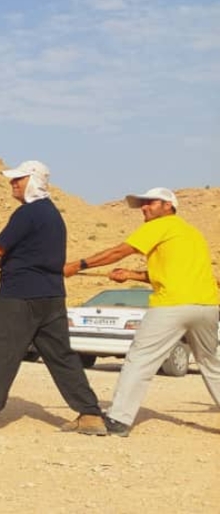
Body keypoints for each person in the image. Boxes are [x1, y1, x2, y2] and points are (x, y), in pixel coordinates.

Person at [0, 161, 105, 435]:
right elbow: (26, 255)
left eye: (19, 179)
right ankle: (90, 415)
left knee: (3, 354)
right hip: (51, 297)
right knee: (62, 357)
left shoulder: (27, 214)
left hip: (20, 296)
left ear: (34, 181)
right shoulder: (52, 215)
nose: (12, 184)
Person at [64, 187, 220, 437]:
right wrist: (130, 275)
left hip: (172, 305)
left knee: (140, 360)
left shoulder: (161, 225)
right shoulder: (191, 234)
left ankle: (118, 419)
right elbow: (172, 274)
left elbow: (119, 251)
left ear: (168, 206)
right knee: (211, 364)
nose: (144, 207)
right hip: (208, 306)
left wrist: (78, 264)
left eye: (150, 203)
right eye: (143, 204)